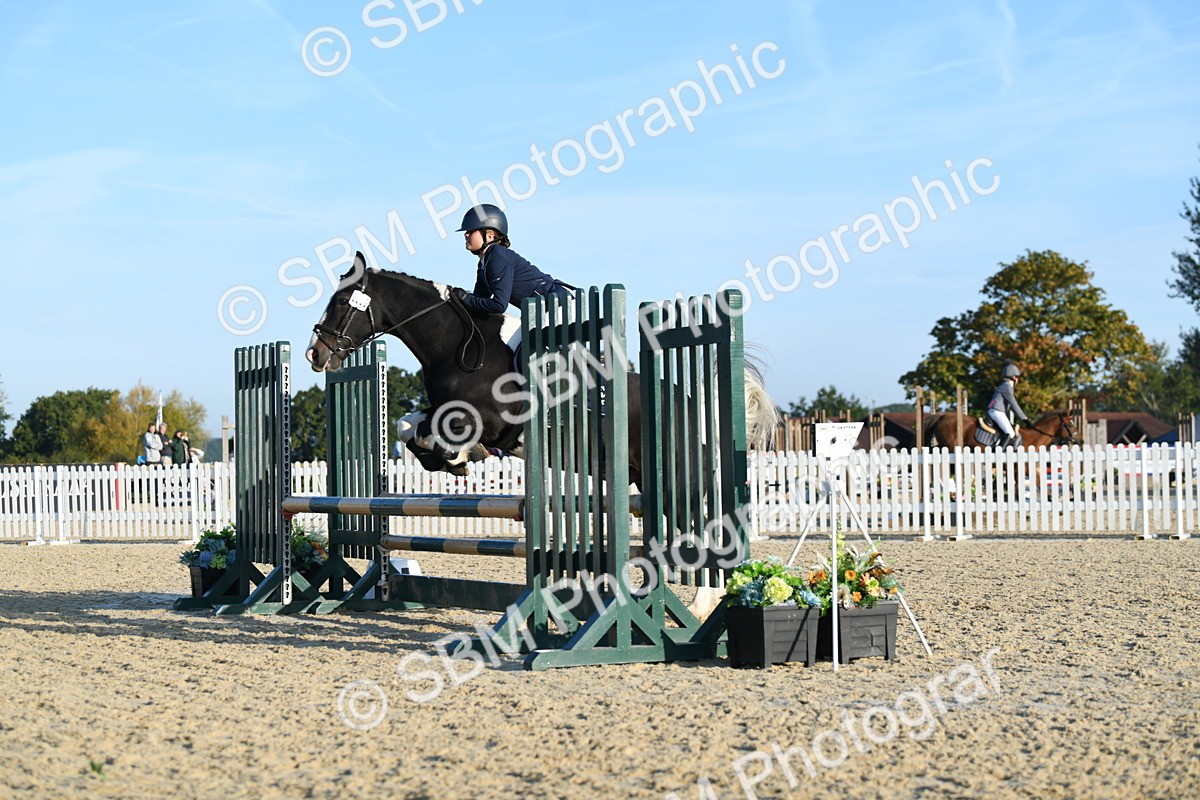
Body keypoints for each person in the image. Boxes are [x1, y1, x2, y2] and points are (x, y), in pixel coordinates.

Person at [453, 204, 573, 314]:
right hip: (543, 309)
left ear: (490, 236)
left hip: (559, 301)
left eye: (471, 230)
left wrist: (465, 298)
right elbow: (479, 301)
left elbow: (499, 305)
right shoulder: (484, 264)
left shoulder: (497, 257)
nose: (466, 234)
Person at [987, 362, 1030, 448]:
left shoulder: (1003, 385)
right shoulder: (1007, 386)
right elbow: (1014, 404)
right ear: (1014, 378)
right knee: (1010, 433)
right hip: (997, 411)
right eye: (1017, 377)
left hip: (995, 410)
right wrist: (1024, 418)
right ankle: (997, 456)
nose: (1018, 379)